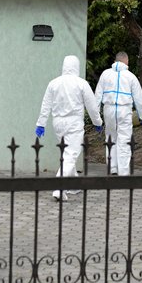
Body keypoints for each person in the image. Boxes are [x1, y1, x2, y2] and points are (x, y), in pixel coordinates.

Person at [35, 55, 103, 202]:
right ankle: (59, 188)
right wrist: (98, 122)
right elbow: (91, 106)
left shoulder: (53, 83)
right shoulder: (81, 84)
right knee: (71, 155)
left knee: (67, 154)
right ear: (77, 66)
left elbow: (46, 105)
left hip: (58, 123)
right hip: (74, 124)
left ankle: (74, 185)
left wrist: (41, 124)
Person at [95, 51, 142, 176]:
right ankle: (123, 172)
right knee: (124, 139)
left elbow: (97, 96)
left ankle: (112, 168)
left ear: (115, 61)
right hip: (124, 110)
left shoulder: (105, 74)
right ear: (126, 61)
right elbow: (139, 99)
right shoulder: (131, 77)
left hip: (109, 109)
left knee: (111, 137)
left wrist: (96, 117)